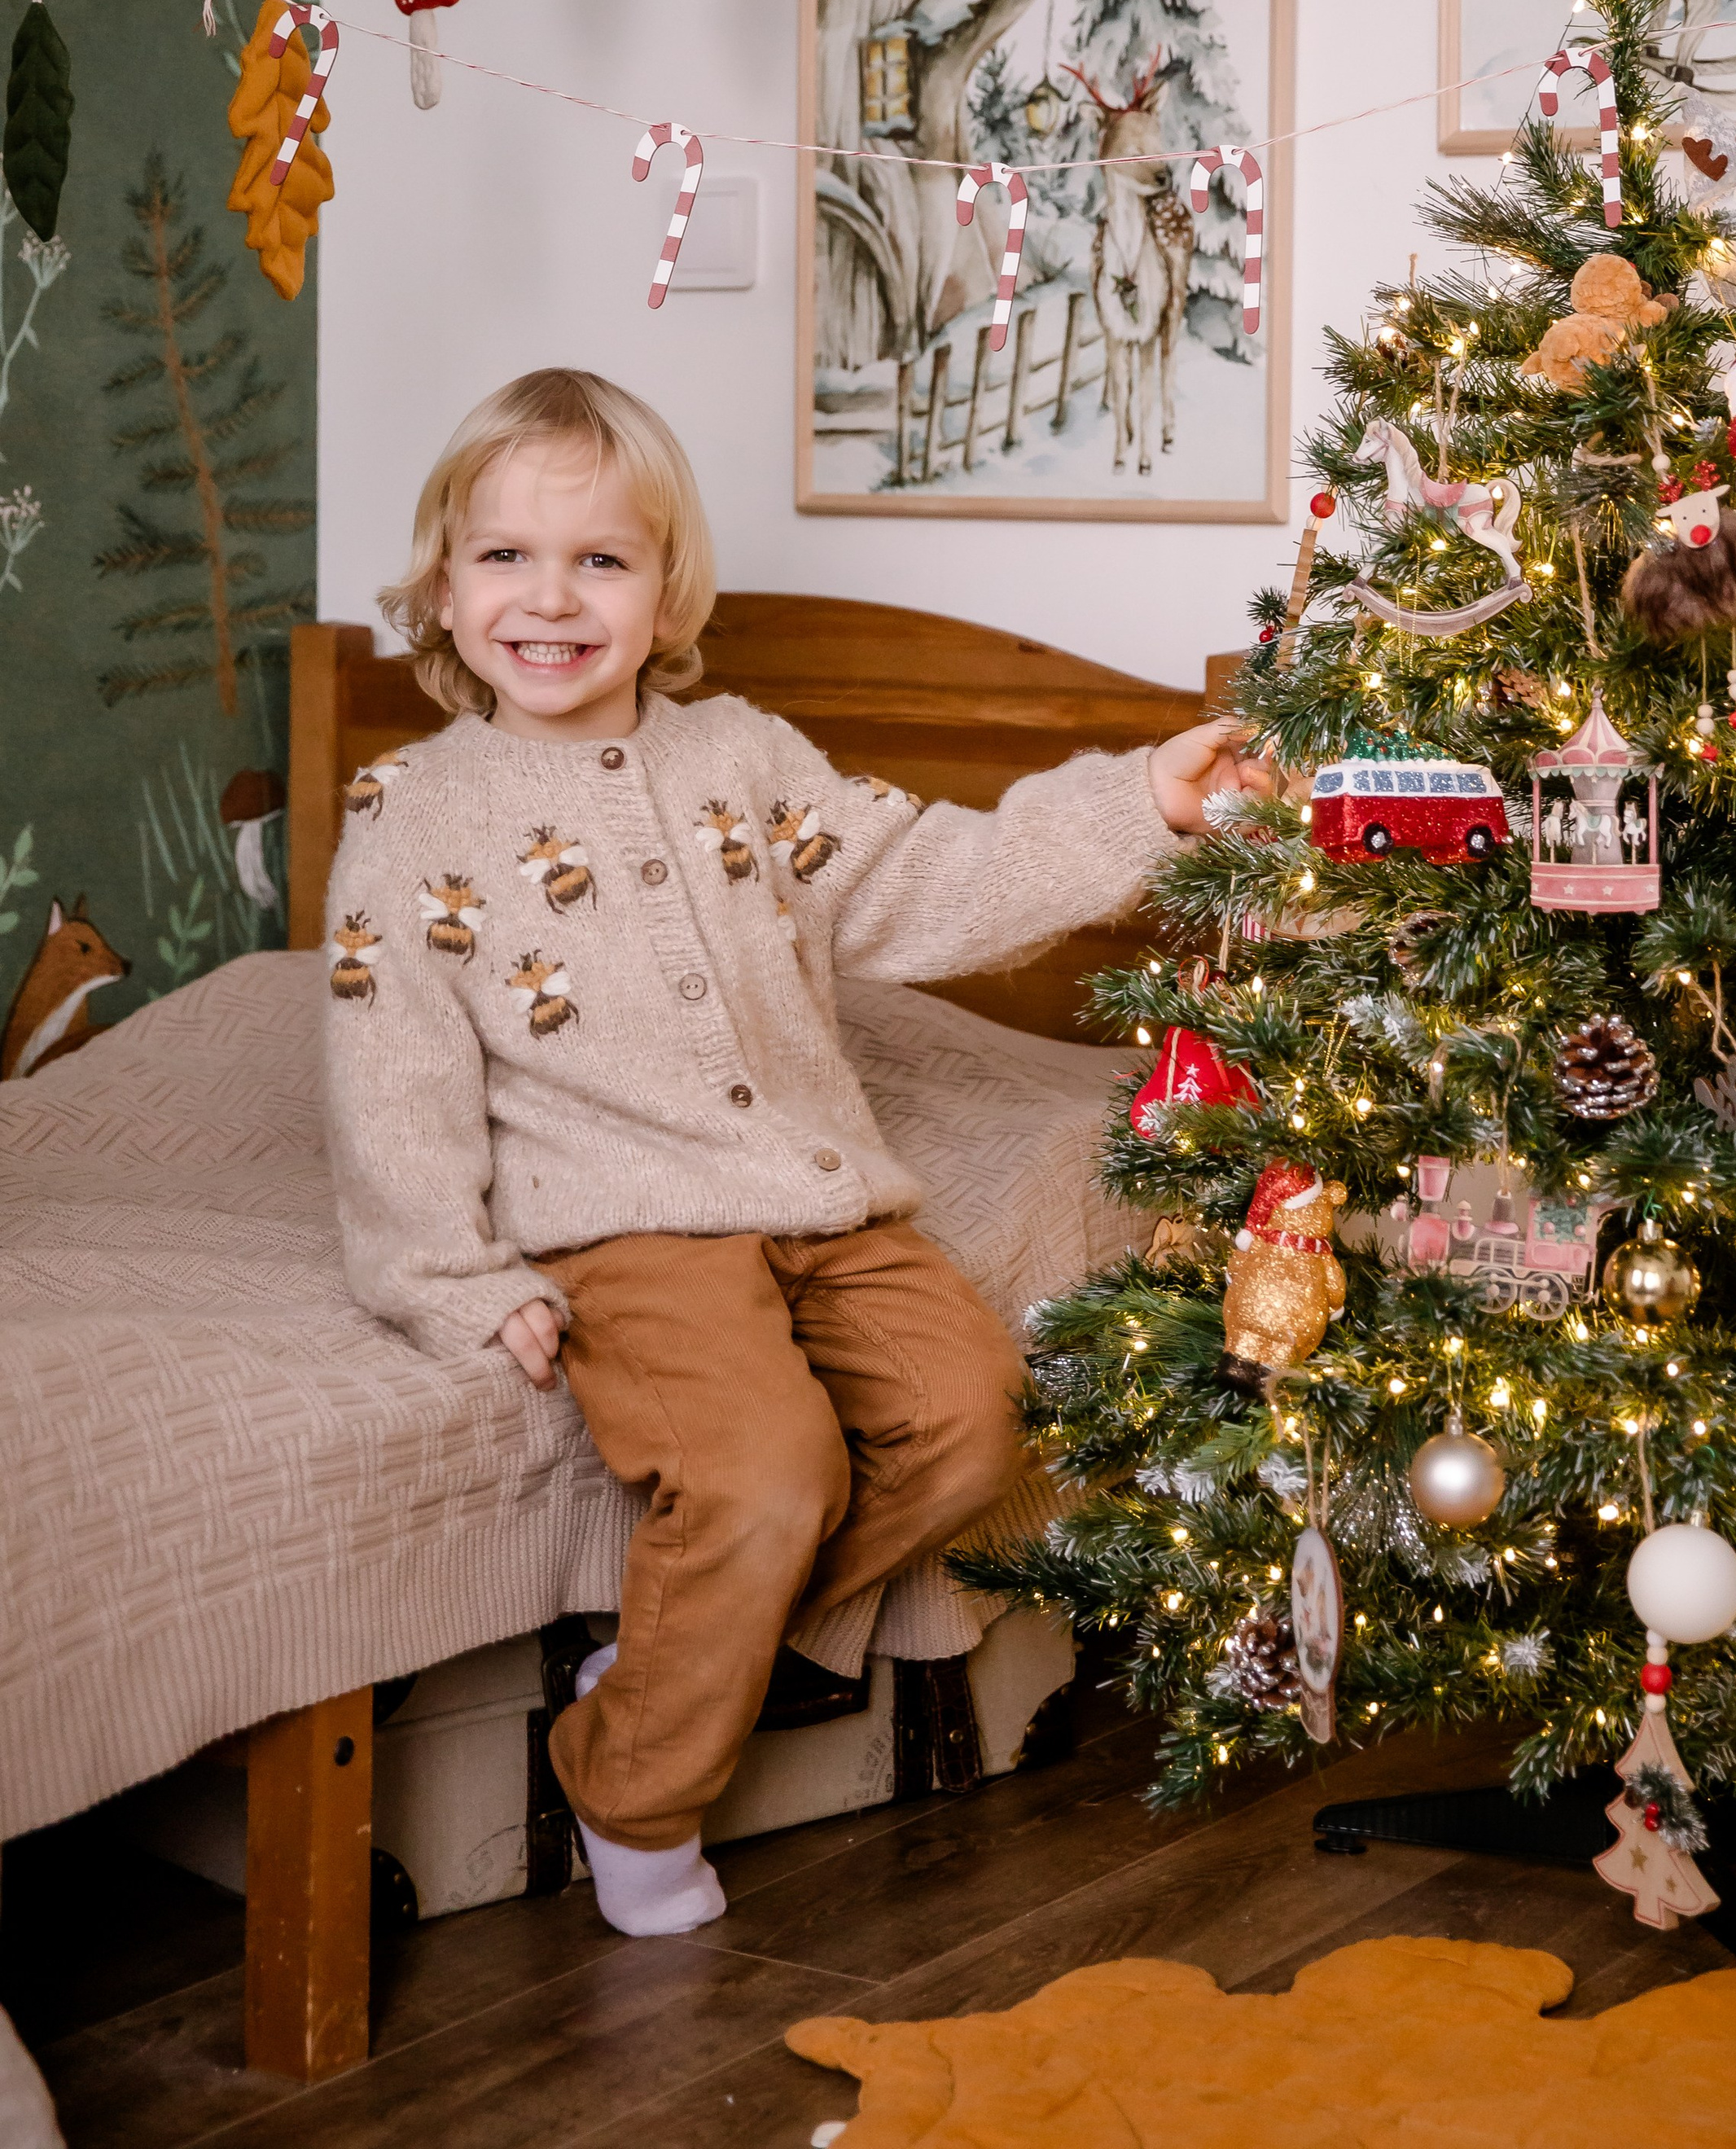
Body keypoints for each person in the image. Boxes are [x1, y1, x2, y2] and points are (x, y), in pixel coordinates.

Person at [322, 366, 1269, 1937]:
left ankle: (670, 1666)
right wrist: (445, 1273)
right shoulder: (413, 809)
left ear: (666, 590)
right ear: (442, 582)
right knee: (768, 1477)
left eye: (600, 561)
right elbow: (391, 1065)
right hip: (624, 1228)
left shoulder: (745, 758)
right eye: (504, 558)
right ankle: (633, 1785)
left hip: (827, 1203)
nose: (548, 600)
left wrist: (1141, 804)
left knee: (973, 1419)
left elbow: (929, 880)